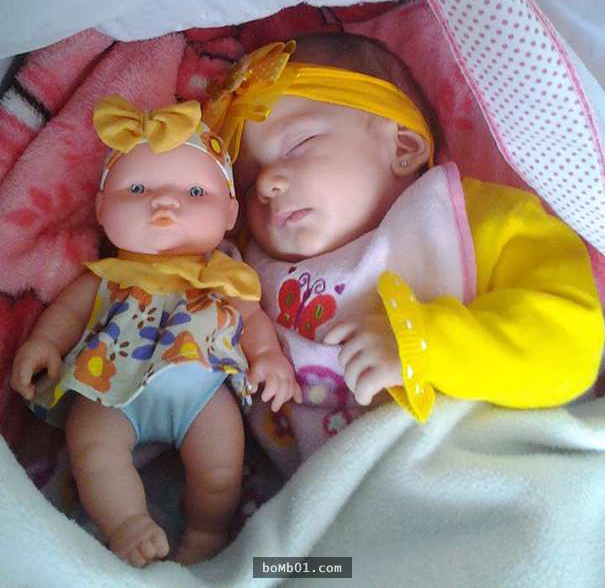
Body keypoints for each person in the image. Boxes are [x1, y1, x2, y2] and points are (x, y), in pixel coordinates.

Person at [202, 34, 604, 476]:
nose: (266, 184)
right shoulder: (242, 270)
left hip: (489, 464)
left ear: (403, 147)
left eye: (300, 144)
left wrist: (420, 345)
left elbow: (570, 348)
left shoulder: (478, 221)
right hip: (331, 498)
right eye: (246, 181)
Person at [10, 95, 301, 566]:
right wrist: (44, 343)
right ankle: (127, 523)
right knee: (93, 447)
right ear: (101, 208)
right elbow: (67, 314)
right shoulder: (107, 278)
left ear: (230, 215)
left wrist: (267, 356)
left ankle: (207, 531)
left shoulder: (223, 277)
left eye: (195, 192)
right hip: (109, 391)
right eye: (138, 188)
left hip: (202, 396)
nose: (165, 201)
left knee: (221, 466)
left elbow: (251, 321)